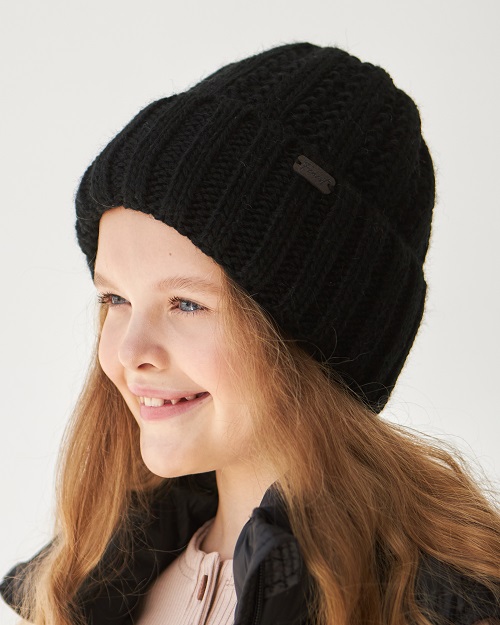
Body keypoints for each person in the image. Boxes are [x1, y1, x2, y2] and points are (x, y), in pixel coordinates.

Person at [1, 41, 499, 625]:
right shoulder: (70, 587)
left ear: (314, 336)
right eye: (116, 299)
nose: (130, 352)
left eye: (187, 304)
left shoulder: (440, 610)